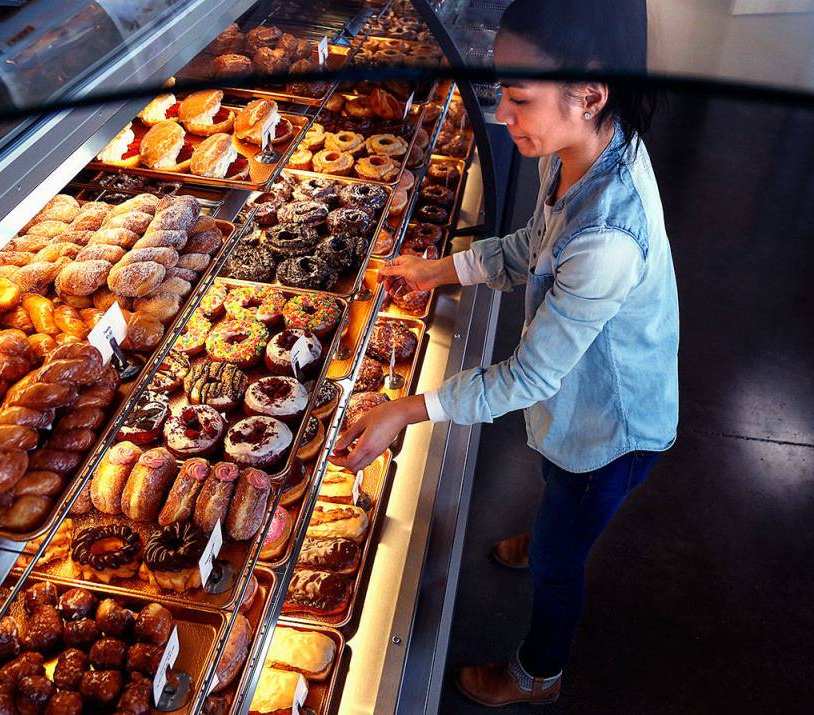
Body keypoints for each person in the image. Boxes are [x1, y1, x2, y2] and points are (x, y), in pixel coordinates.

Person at [329, 0, 678, 707]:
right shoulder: (585, 147)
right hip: (574, 410)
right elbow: (529, 248)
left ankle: (537, 674)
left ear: (589, 95)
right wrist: (438, 270)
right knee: (560, 493)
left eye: (518, 99)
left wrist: (408, 407)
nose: (505, 116)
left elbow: (531, 374)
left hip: (610, 429)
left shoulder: (609, 237)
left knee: (559, 562)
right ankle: (553, 522)